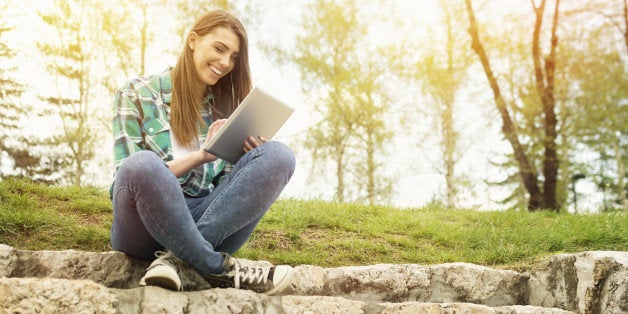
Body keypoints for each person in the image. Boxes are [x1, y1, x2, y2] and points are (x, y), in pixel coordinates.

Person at [109, 9, 296, 295]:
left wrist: (249, 160)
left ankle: (177, 261)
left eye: (233, 57)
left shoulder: (225, 111)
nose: (225, 63)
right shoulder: (137, 92)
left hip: (203, 220)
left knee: (279, 155)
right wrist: (200, 156)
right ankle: (215, 267)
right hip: (143, 224)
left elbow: (229, 201)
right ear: (194, 40)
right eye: (219, 49)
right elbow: (127, 179)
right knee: (142, 165)